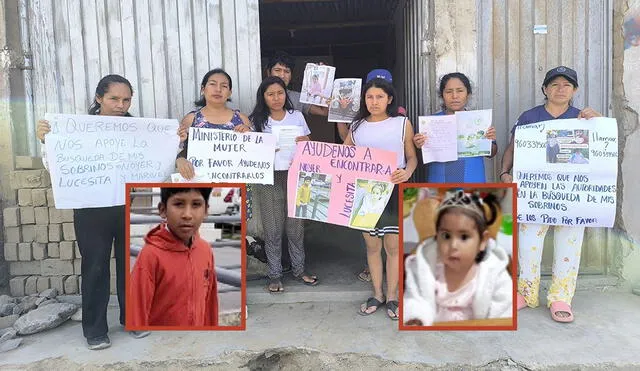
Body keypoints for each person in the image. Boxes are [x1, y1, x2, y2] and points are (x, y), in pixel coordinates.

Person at [36, 74, 151, 350]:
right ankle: (95, 330)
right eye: (114, 98)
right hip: (91, 209)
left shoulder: (141, 130)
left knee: (134, 264)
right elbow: (55, 166)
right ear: (99, 98)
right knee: (95, 266)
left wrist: (175, 140)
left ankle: (134, 319)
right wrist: (47, 141)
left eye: (126, 99)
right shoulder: (76, 129)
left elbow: (156, 159)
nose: (120, 105)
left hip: (132, 204)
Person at [499, 65, 602, 323]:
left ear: (574, 90)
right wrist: (504, 172)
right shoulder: (529, 117)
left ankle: (561, 298)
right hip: (536, 194)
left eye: (566, 85)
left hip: (570, 197)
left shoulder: (584, 118)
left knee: (569, 245)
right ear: (545, 89)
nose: (560, 89)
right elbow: (513, 148)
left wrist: (599, 123)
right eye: (554, 84)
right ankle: (526, 293)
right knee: (528, 245)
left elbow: (602, 150)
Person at [343, 77, 418, 320]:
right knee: (372, 246)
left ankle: (393, 296)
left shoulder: (402, 124)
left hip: (393, 190)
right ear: (364, 100)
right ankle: (378, 293)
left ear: (389, 99)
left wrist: (406, 172)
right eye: (369, 97)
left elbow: (412, 157)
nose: (374, 102)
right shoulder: (356, 128)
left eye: (379, 97)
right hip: (365, 193)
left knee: (393, 247)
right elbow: (342, 157)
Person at [249, 76, 319, 293]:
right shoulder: (257, 120)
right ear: (263, 97)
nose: (276, 98)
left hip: (296, 175)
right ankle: (275, 274)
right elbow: (250, 150)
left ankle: (299, 270)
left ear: (285, 94)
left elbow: (308, 143)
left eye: (280, 93)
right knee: (272, 227)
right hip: (269, 177)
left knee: (296, 225)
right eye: (270, 94)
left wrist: (306, 142)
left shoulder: (296, 116)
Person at [403, 190, 512, 326]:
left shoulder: (495, 275)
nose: (453, 246)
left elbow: (503, 313)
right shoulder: (426, 269)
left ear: (483, 241)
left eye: (464, 237)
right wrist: (416, 318)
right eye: (446, 236)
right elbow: (415, 299)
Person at [129, 187, 218, 327]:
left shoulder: (205, 250)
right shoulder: (150, 255)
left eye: (196, 205)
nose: (187, 215)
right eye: (178, 204)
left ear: (206, 210)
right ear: (163, 210)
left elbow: (210, 304)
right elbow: (136, 313)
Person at [413, 72, 497, 182]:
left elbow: (492, 153)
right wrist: (418, 146)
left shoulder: (479, 122)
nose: (454, 96)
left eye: (460, 91)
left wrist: (490, 140)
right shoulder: (431, 124)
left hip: (471, 180)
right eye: (449, 91)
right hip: (440, 182)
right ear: (442, 95)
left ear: (468, 94)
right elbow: (419, 158)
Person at [175, 68, 252, 180]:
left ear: (230, 92)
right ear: (203, 89)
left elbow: (255, 156)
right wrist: (179, 160)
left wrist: (250, 136)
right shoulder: (191, 119)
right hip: (201, 183)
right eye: (212, 84)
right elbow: (177, 151)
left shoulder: (242, 119)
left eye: (224, 86)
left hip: (237, 185)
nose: (218, 89)